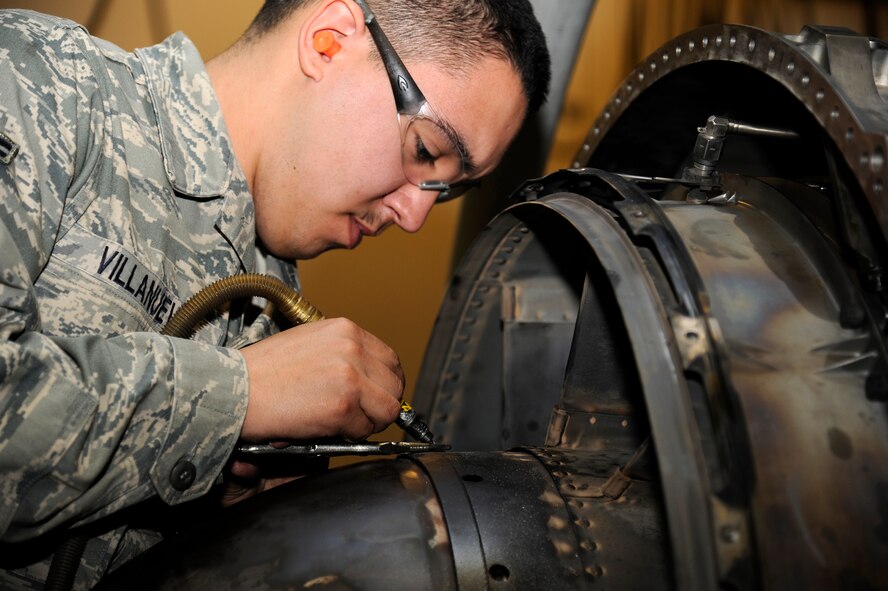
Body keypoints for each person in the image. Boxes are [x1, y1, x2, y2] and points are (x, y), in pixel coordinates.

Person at [0, 0, 550, 588]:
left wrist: (246, 510)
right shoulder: (40, 81)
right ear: (329, 41)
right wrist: (240, 396)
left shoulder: (275, 308)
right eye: (425, 151)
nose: (414, 217)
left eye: (447, 190)